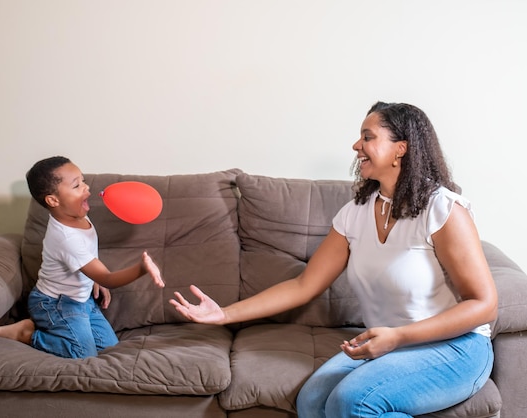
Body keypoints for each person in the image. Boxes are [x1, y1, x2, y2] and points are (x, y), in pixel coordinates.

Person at [170, 102, 497, 417]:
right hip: (387, 343)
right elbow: (303, 285)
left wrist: (398, 337)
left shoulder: (443, 210)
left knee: (352, 402)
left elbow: (484, 304)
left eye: (368, 137)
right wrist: (224, 314)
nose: (356, 145)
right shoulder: (355, 213)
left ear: (401, 148)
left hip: (455, 347)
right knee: (311, 401)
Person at [0, 156, 165, 359]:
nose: (86, 188)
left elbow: (88, 256)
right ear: (53, 200)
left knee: (110, 349)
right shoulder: (65, 237)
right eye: (76, 185)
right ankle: (26, 333)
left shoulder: (77, 216)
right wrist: (140, 268)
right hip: (56, 304)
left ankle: (46, 327)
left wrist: (93, 280)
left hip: (83, 301)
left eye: (83, 180)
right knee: (83, 354)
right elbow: (106, 277)